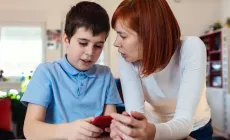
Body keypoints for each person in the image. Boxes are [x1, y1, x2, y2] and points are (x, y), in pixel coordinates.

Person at [109, 0, 212, 140]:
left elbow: (185, 122)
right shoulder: (127, 58)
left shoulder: (191, 48)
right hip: (154, 129)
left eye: (123, 35)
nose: (116, 43)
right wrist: (130, 129)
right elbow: (136, 115)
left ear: (149, 34)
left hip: (195, 129)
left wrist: (149, 132)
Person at [21, 1, 122, 140]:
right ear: (66, 39)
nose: (90, 52)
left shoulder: (105, 75)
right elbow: (30, 130)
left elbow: (110, 127)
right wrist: (69, 131)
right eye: (83, 43)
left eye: (98, 45)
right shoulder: (46, 72)